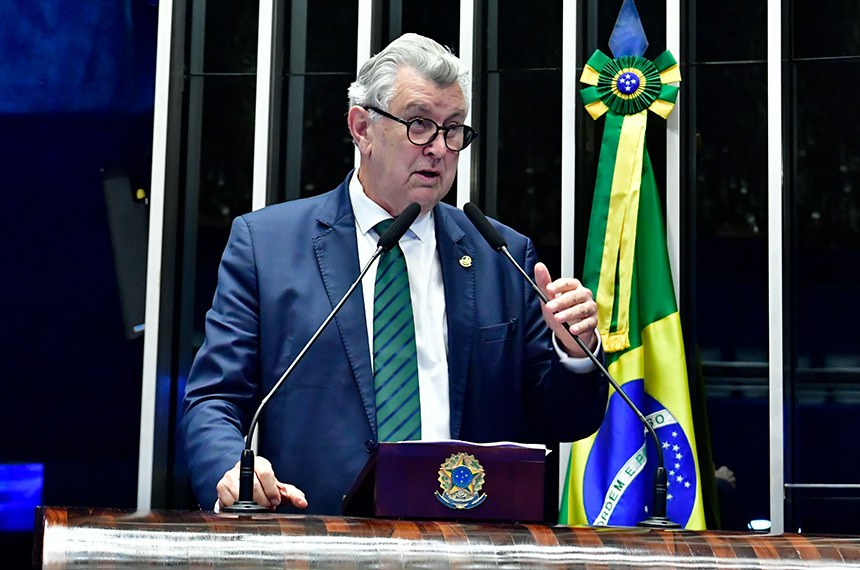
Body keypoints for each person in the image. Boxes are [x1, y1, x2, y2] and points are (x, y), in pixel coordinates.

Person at [181, 33, 608, 515]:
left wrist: (575, 354)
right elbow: (215, 398)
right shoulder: (267, 246)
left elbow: (561, 419)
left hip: (468, 541)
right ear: (361, 127)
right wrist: (230, 471)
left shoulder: (500, 255)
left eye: (453, 130)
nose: (439, 149)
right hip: (316, 538)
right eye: (420, 124)